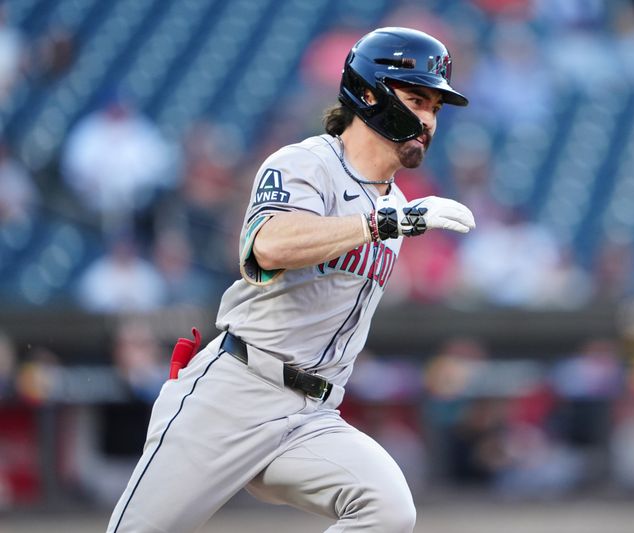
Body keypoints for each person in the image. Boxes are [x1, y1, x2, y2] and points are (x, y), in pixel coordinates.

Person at [107, 27, 474, 532]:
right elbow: (268, 246)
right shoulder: (306, 162)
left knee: (388, 510)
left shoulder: (395, 204)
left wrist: (390, 222)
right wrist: (380, 225)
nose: (429, 120)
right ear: (369, 94)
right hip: (237, 391)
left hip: (311, 414)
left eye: (435, 107)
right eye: (416, 100)